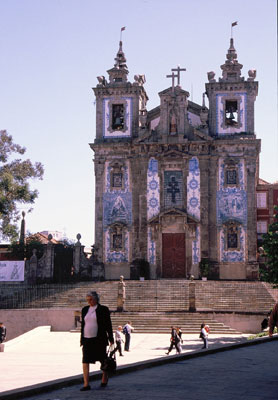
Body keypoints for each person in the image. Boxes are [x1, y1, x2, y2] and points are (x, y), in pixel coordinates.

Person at [80, 291, 114, 391]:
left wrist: (111, 338)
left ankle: (104, 379)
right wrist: (81, 339)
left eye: (90, 299)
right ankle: (86, 384)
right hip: (87, 339)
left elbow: (108, 324)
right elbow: (83, 325)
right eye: (87, 300)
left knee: (103, 360)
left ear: (96, 299)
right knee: (85, 360)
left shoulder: (103, 309)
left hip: (99, 338)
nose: (89, 301)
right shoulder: (85, 309)